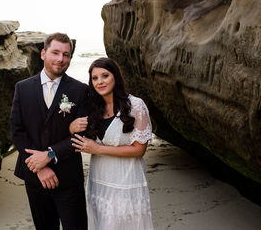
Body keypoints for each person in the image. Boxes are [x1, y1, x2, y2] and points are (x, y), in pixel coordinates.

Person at [10, 33, 88, 230]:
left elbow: (82, 136)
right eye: (55, 53)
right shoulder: (22, 88)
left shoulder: (80, 90)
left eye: (66, 55)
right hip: (34, 176)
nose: (61, 59)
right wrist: (40, 167)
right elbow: (17, 131)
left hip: (68, 178)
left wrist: (50, 155)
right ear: (43, 54)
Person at [70, 57, 154, 230]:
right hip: (99, 182)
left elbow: (139, 150)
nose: (100, 81)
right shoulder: (93, 108)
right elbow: (79, 137)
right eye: (95, 78)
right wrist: (71, 127)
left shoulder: (136, 106)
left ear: (115, 76)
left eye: (105, 76)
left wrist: (98, 148)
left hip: (124, 182)